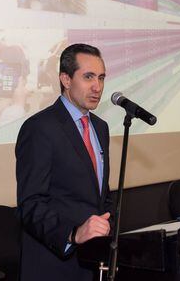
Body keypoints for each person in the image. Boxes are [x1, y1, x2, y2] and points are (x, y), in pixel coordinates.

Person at [16, 43, 112, 281]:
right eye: (88, 77)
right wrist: (72, 234)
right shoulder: (39, 128)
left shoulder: (101, 127)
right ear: (66, 79)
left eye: (101, 78)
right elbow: (30, 204)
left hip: (93, 262)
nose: (97, 87)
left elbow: (100, 194)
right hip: (54, 264)